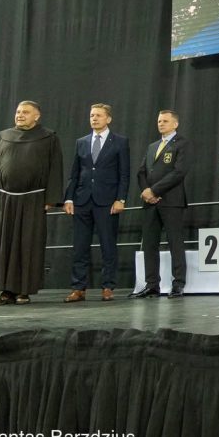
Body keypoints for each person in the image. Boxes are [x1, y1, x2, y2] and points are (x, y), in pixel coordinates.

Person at [0, 100, 64, 305]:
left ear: (36, 116)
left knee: (28, 245)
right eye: (18, 112)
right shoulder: (3, 136)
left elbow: (55, 168)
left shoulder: (48, 138)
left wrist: (51, 198)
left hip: (33, 200)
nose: (20, 115)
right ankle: (5, 291)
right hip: (4, 200)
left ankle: (24, 291)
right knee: (3, 246)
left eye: (25, 112)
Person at [63, 103, 130, 302]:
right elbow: (75, 173)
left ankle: (108, 286)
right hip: (82, 200)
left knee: (108, 245)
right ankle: (78, 288)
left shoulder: (120, 142)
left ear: (108, 119)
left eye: (99, 115)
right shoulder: (81, 142)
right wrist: (69, 197)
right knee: (80, 246)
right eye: (92, 115)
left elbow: (124, 174)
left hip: (107, 201)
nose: (94, 118)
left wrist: (120, 199)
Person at [132, 110, 191, 298]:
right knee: (149, 244)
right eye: (159, 121)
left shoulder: (182, 144)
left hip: (171, 201)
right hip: (150, 203)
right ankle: (152, 285)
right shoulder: (153, 146)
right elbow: (141, 172)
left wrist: (154, 190)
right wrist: (146, 191)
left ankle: (178, 283)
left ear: (175, 124)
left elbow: (179, 172)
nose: (161, 124)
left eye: (165, 121)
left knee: (175, 243)